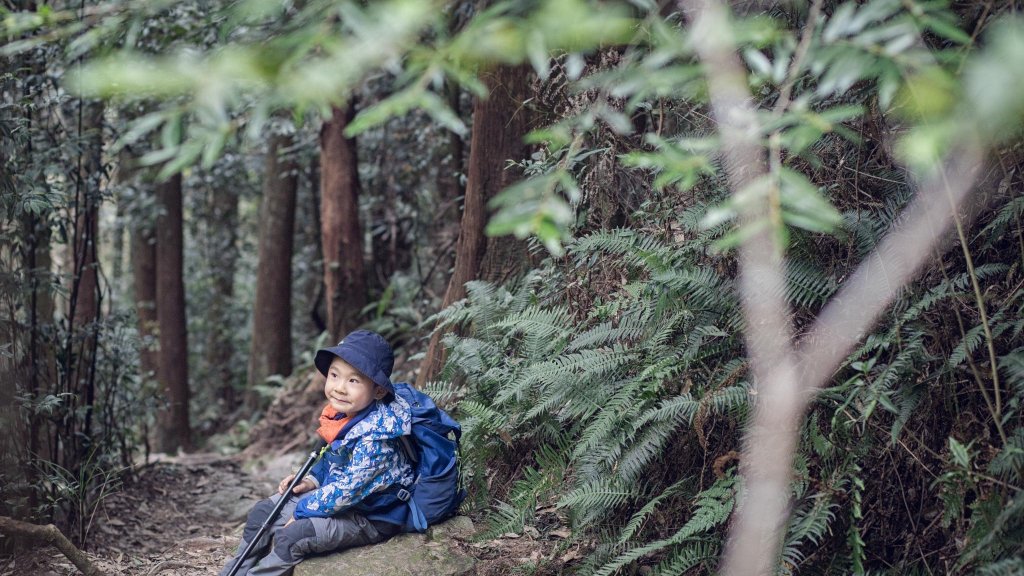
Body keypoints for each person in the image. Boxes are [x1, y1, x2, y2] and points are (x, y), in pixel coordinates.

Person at [219, 330, 415, 576]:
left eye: (354, 381)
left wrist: (302, 512)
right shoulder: (346, 415)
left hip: (370, 516)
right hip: (339, 500)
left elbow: (347, 491)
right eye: (334, 375)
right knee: (263, 512)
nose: (339, 388)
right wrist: (311, 480)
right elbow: (332, 460)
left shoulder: (378, 438)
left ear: (378, 391)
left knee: (294, 535)